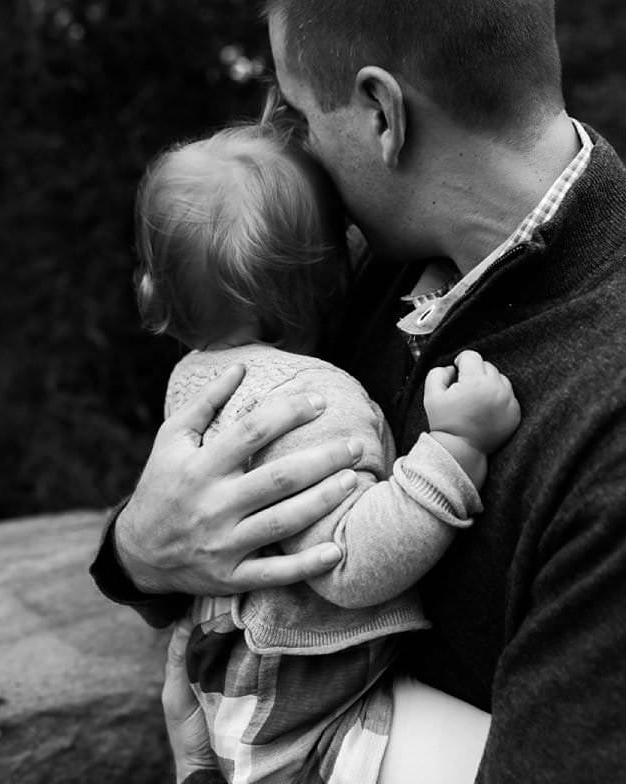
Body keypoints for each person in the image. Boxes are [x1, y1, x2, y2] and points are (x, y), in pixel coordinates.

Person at [88, 0, 626, 781]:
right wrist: (139, 553)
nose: (287, 144)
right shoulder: (373, 254)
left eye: (298, 112)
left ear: (382, 113)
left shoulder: (614, 418)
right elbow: (228, 478)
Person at [135, 124, 520, 784]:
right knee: (511, 757)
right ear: (336, 281)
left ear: (153, 296)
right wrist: (455, 450)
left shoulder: (194, 380)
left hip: (245, 706)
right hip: (315, 732)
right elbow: (350, 565)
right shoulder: (311, 402)